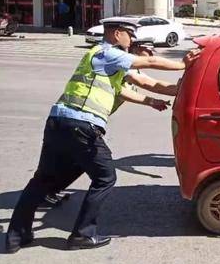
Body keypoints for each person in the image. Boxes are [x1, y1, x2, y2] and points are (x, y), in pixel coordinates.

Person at [5, 18, 200, 253]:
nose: (132, 40)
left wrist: (159, 97)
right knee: (105, 177)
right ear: (117, 34)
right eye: (130, 34)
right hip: (81, 125)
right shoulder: (107, 53)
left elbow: (145, 83)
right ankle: (82, 235)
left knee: (44, 179)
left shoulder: (108, 63)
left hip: (59, 122)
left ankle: (17, 235)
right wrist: (182, 64)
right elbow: (148, 62)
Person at [41, 43, 178, 207]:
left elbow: (121, 91)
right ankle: (48, 196)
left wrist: (150, 101)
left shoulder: (123, 66)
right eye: (146, 51)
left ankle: (48, 191)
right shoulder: (120, 62)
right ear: (135, 50)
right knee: (92, 168)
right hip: (80, 120)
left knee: (77, 161)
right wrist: (184, 80)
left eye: (150, 52)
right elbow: (149, 83)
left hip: (84, 122)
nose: (149, 54)